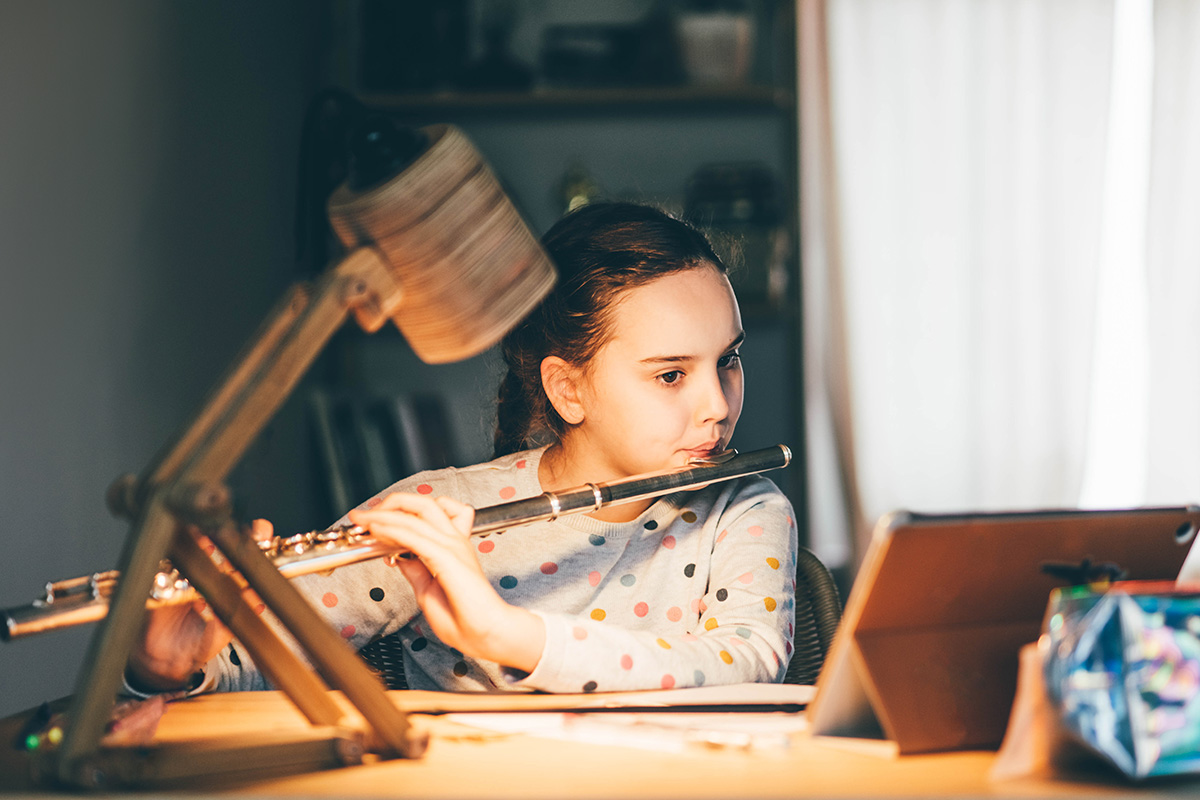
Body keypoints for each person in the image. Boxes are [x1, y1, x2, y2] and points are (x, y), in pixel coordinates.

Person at [129, 202, 798, 695]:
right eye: (672, 375)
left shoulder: (743, 507)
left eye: (728, 362)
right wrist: (172, 666)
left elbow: (747, 662)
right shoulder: (438, 514)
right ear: (569, 390)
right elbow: (269, 661)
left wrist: (502, 635)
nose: (718, 405)